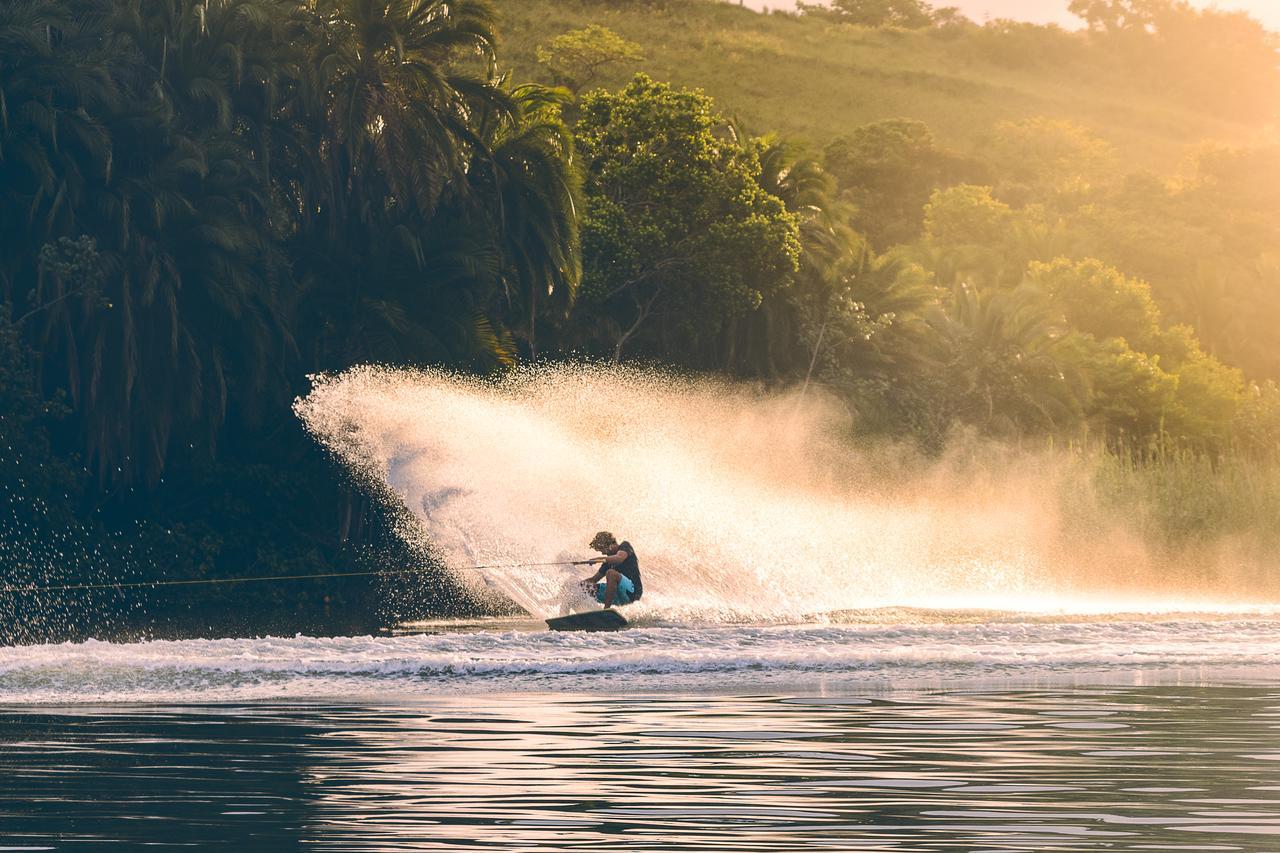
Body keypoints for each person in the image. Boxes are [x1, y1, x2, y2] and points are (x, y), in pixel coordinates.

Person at [581, 531, 642, 608]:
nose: (603, 554)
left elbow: (620, 558)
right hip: (616, 595)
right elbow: (594, 579)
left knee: (611, 573)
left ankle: (606, 610)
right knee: (583, 587)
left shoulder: (625, 546)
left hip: (632, 593)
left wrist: (598, 559)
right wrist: (576, 586)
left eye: (602, 550)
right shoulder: (608, 561)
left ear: (609, 545)